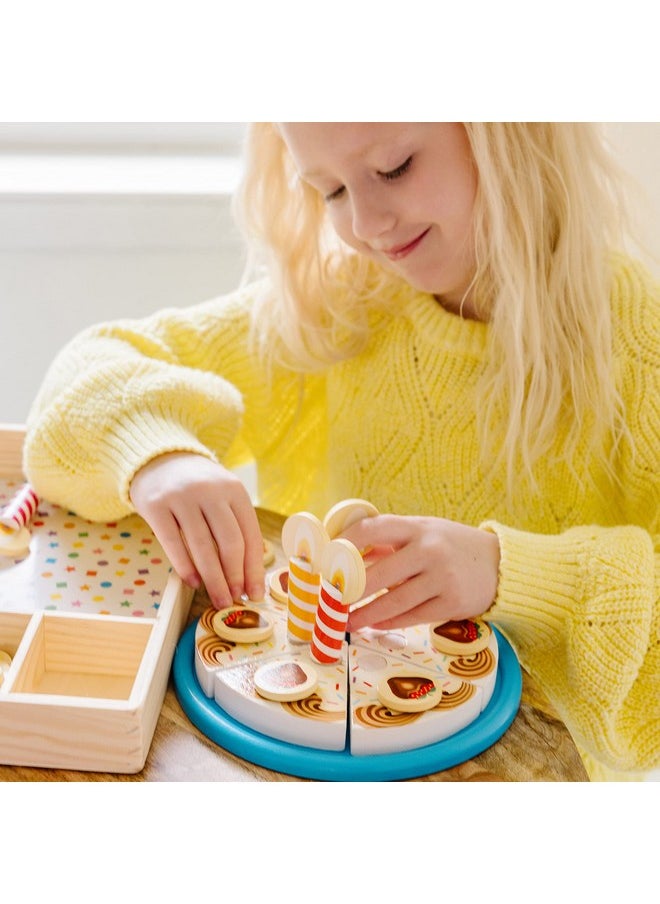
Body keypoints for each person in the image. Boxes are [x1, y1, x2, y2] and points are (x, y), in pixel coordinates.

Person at [23, 123, 659, 781]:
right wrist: (157, 455)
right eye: (328, 190)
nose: (365, 224)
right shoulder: (341, 307)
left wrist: (511, 573)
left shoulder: (637, 345)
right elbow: (90, 370)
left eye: (395, 168)